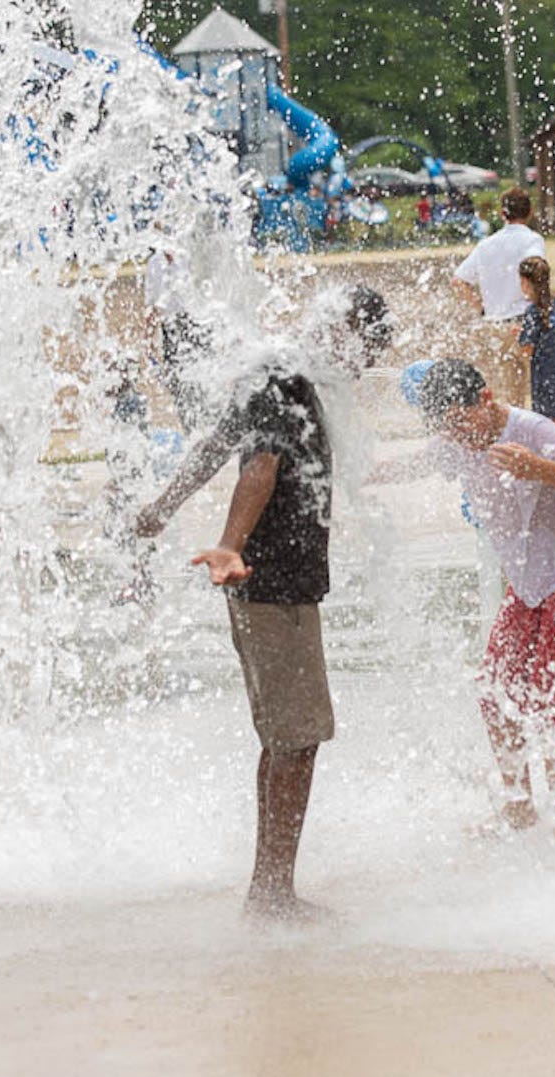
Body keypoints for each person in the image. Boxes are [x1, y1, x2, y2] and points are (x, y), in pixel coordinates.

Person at [132, 286, 393, 922]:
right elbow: (260, 468)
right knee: (298, 739)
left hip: (268, 584)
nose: (362, 365)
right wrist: (228, 543)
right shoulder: (289, 382)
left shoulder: (270, 375)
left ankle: (270, 886)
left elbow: (216, 445)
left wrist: (163, 507)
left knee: (285, 740)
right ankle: (272, 894)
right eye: (366, 349)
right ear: (345, 332)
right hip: (275, 586)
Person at [408, 359, 555, 840]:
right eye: (447, 430)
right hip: (529, 582)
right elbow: (405, 467)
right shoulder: (457, 440)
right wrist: (344, 474)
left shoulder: (530, 429)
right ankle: (519, 804)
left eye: (461, 423)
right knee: (495, 691)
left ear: (485, 398)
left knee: (550, 693)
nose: (458, 438)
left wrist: (537, 468)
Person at [451, 187, 546, 405]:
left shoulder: (486, 245)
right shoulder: (532, 240)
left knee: (511, 395)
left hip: (495, 325)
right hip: (524, 322)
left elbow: (458, 281)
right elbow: (535, 271)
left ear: (503, 214)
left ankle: (512, 436)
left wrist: (480, 307)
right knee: (543, 389)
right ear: (530, 212)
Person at [143, 247, 214, 429]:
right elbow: (151, 304)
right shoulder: (154, 263)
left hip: (193, 325)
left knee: (200, 380)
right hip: (170, 327)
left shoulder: (186, 255)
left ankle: (206, 423)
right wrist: (149, 340)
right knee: (176, 382)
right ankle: (189, 427)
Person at [515, 256, 555, 426]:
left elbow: (527, 350)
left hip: (545, 378)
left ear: (526, 283)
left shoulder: (533, 312)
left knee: (550, 429)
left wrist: (519, 339)